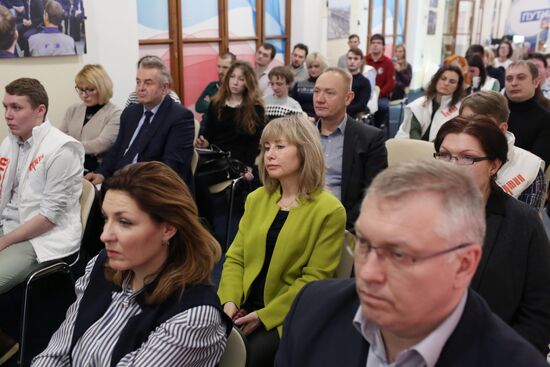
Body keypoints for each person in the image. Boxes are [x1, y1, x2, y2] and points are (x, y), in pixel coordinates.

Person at [275, 159, 548, 367]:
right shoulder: (312, 311)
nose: (367, 274)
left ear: (464, 264)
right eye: (364, 244)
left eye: (398, 255)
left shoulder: (512, 361)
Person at [32, 161, 231, 366]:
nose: (105, 235)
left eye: (124, 222)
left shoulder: (191, 318)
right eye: (106, 219)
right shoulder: (102, 266)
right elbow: (57, 353)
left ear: (168, 229)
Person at [218, 114, 346, 367]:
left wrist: (264, 316)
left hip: (285, 314)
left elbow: (314, 280)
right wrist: (229, 302)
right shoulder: (257, 199)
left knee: (242, 356)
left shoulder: (329, 210)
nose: (269, 154)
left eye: (279, 146)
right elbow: (235, 258)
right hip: (242, 304)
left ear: (304, 151)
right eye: (266, 148)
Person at [434, 115, 550, 354]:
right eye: (444, 155)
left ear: (494, 165)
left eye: (468, 158)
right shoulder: (414, 212)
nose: (452, 166)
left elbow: (540, 313)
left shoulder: (522, 223)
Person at [0, 78, 84, 362]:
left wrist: (4, 241)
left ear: (40, 110)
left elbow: (48, 217)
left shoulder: (63, 149)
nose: (8, 115)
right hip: (11, 227)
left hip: (42, 237)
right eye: (5, 107)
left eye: (16, 107)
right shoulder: (10, 143)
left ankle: (7, 342)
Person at [85, 56, 195, 187]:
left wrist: (130, 181)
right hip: (120, 182)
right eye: (138, 82)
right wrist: (101, 174)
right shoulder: (130, 113)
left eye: (148, 83)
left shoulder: (180, 117)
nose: (140, 88)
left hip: (152, 187)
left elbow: (171, 167)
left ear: (164, 88)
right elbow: (117, 150)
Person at [314, 68, 387, 229]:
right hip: (302, 219)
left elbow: (374, 193)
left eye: (329, 93)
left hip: (345, 224)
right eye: (316, 91)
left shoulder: (370, 139)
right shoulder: (302, 136)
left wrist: (342, 224)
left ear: (348, 98)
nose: (319, 99)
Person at [460, 91, 546, 210]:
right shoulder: (448, 154)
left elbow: (526, 224)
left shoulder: (530, 167)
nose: (470, 129)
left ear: (502, 129)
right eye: (464, 122)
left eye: (481, 124)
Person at [196, 60, 265, 169]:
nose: (235, 82)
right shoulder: (216, 103)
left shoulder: (256, 108)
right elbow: (209, 135)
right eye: (232, 77)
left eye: (241, 79)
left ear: (248, 82)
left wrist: (248, 167)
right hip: (216, 158)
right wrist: (204, 143)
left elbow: (253, 144)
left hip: (240, 161)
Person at [60, 64, 121, 173]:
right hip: (69, 164)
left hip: (97, 170)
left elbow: (100, 145)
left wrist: (69, 145)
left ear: (102, 88)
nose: (84, 95)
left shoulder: (115, 114)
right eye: (81, 90)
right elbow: (60, 137)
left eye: (90, 90)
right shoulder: (73, 109)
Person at [396, 64, 463, 141]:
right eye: (443, 79)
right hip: (416, 146)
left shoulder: (459, 109)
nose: (446, 83)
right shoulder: (419, 103)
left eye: (452, 81)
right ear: (436, 80)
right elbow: (414, 131)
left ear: (457, 86)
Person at [505, 60, 550, 168]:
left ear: (535, 82)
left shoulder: (546, 119)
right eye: (509, 78)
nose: (514, 83)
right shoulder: (494, 112)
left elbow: (536, 166)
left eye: (521, 77)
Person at [365, 33, 395, 128]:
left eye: (378, 43)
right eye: (373, 43)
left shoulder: (388, 62)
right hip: (365, 93)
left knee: (381, 106)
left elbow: (390, 83)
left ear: (383, 46)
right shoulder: (364, 60)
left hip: (381, 95)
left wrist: (378, 94)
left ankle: (377, 127)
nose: (375, 45)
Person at [291, 52, 328, 118]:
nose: (313, 69)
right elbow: (293, 106)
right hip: (302, 120)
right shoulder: (299, 85)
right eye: (310, 67)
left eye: (316, 66)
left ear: (323, 67)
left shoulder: (329, 85)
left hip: (323, 121)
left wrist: (316, 120)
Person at [345, 48, 371, 118]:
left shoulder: (364, 82)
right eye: (350, 58)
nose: (352, 61)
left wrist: (342, 110)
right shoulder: (340, 79)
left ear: (361, 61)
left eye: (356, 59)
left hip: (354, 116)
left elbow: (361, 105)